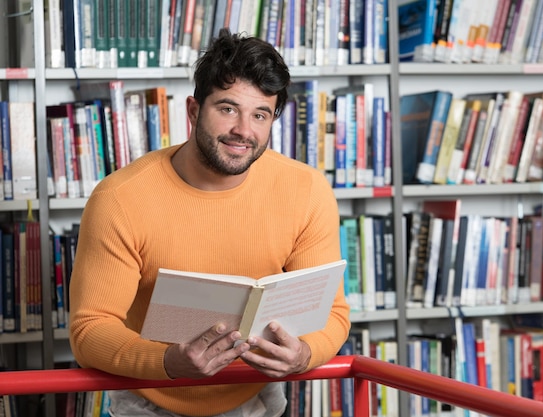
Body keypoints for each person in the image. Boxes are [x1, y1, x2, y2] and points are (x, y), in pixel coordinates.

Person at [68, 28, 351, 417]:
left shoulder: (306, 189)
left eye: (260, 115)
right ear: (193, 110)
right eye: (228, 108)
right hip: (150, 399)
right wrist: (169, 362)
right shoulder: (120, 198)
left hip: (258, 399)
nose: (243, 131)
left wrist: (305, 353)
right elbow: (89, 330)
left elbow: (333, 314)